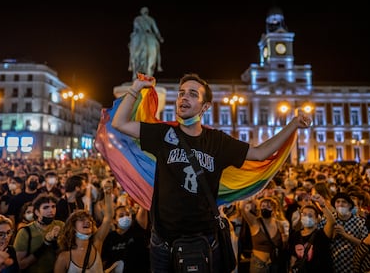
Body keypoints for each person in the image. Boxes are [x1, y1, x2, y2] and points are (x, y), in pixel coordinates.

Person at [111, 73, 313, 272]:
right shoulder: (163, 133)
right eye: (181, 93)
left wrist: (293, 125)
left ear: (205, 106)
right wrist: (136, 88)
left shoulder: (218, 141)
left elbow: (261, 153)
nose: (183, 97)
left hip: (205, 238)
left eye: (192, 94)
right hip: (164, 241)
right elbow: (119, 123)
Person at [54, 178, 113, 273]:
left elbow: (108, 217)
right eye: (81, 219)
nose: (87, 221)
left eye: (89, 219)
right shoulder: (64, 258)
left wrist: (108, 194)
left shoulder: (97, 243)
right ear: (72, 226)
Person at [13, 193, 64, 272]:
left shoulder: (60, 225)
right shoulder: (25, 232)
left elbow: (65, 254)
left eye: (53, 206)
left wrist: (55, 243)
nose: (51, 210)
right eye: (46, 207)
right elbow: (21, 265)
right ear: (37, 212)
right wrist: (45, 244)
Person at [287, 194, 336, 272]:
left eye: (310, 215)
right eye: (304, 214)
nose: (306, 217)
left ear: (317, 219)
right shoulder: (296, 235)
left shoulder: (321, 234)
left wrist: (322, 205)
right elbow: (293, 256)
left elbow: (332, 222)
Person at [128, 6, 164, 80]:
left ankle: (132, 68)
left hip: (141, 34)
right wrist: (159, 38)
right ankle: (157, 66)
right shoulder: (147, 19)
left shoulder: (139, 19)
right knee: (156, 46)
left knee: (132, 46)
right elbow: (156, 30)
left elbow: (135, 29)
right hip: (148, 34)